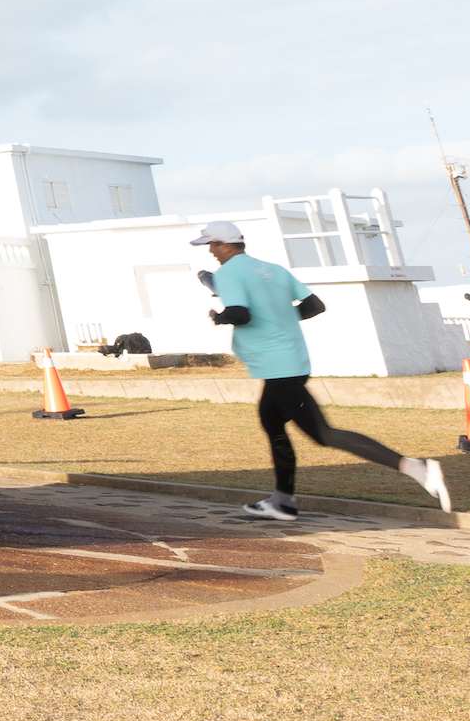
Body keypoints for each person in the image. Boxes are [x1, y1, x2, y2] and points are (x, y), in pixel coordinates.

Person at [186, 221, 452, 522]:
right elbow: (314, 305)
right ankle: (283, 501)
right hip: (292, 359)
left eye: (212, 244)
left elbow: (239, 314)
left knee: (322, 433)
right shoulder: (274, 269)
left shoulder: (229, 274)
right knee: (272, 423)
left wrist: (218, 317)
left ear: (226, 244)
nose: (210, 251)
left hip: (277, 366)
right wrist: (281, 318)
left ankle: (415, 467)